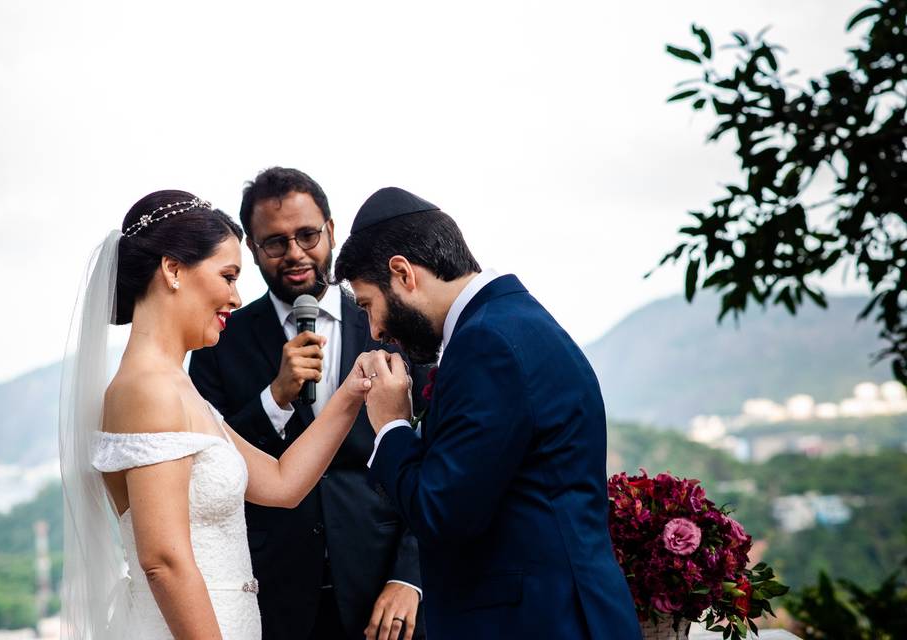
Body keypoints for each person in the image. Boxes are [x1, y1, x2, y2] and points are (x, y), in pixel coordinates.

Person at [59, 190, 378, 640]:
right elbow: (164, 562)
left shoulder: (177, 386)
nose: (235, 296)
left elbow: (282, 482)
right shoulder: (147, 389)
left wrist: (353, 390)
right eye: (227, 276)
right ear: (172, 270)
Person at [334, 187, 643, 639]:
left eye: (368, 305)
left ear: (402, 273)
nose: (376, 329)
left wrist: (392, 424)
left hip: (539, 622)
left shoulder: (486, 343)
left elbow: (442, 513)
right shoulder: (507, 322)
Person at [189, 168, 426, 640]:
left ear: (331, 231)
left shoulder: (394, 324)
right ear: (253, 250)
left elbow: (437, 454)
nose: (295, 253)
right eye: (274, 242)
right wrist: (273, 398)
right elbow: (209, 463)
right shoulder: (218, 340)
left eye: (307, 235)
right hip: (274, 595)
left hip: (383, 590)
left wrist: (410, 576)